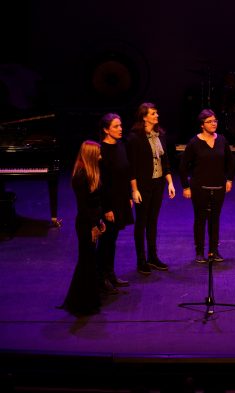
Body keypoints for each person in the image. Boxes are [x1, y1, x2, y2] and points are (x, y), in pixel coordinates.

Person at [126, 102, 175, 275]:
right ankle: (141, 260)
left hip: (157, 183)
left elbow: (165, 161)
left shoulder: (159, 135)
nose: (157, 116)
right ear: (144, 116)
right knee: (141, 222)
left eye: (157, 113)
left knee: (152, 221)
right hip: (142, 185)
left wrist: (169, 182)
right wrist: (134, 189)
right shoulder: (134, 137)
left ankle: (152, 257)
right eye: (153, 113)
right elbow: (130, 166)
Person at [180, 109, 234, 263]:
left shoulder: (222, 140)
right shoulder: (194, 142)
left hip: (218, 187)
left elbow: (230, 162)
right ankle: (199, 252)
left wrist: (229, 180)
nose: (213, 124)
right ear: (202, 125)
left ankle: (214, 250)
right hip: (199, 187)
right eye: (210, 121)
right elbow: (183, 166)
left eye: (215, 121)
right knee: (200, 219)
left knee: (215, 219)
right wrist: (186, 187)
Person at [60, 141, 105, 315]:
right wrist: (94, 225)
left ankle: (87, 300)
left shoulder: (92, 172)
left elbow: (95, 203)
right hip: (86, 224)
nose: (101, 154)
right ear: (91, 154)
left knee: (89, 262)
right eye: (98, 152)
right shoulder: (81, 176)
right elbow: (84, 207)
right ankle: (79, 303)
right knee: (86, 262)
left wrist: (99, 220)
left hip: (93, 221)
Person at [97, 113, 134, 294]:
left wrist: (128, 195)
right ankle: (101, 278)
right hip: (109, 203)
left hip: (121, 199)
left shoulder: (120, 146)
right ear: (106, 130)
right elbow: (102, 184)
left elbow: (125, 173)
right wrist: (107, 208)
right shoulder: (101, 151)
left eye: (120, 126)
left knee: (113, 240)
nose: (120, 129)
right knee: (106, 241)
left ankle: (110, 274)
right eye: (116, 126)